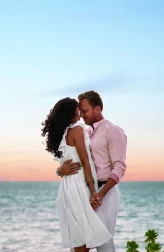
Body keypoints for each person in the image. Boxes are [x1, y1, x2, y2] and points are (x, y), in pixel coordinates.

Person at [57, 91, 127, 252]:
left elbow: (119, 167)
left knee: (104, 245)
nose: (81, 115)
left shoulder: (113, 130)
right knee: (80, 243)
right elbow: (76, 161)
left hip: (105, 193)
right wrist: (60, 170)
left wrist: (100, 195)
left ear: (97, 109)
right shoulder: (85, 133)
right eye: (80, 112)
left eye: (85, 111)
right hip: (85, 193)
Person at [41, 97, 112, 252]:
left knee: (79, 240)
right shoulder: (77, 130)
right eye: (77, 113)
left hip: (68, 188)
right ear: (69, 115)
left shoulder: (63, 134)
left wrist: (59, 171)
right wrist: (93, 191)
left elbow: (64, 165)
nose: (80, 116)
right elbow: (86, 163)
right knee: (83, 242)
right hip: (79, 187)